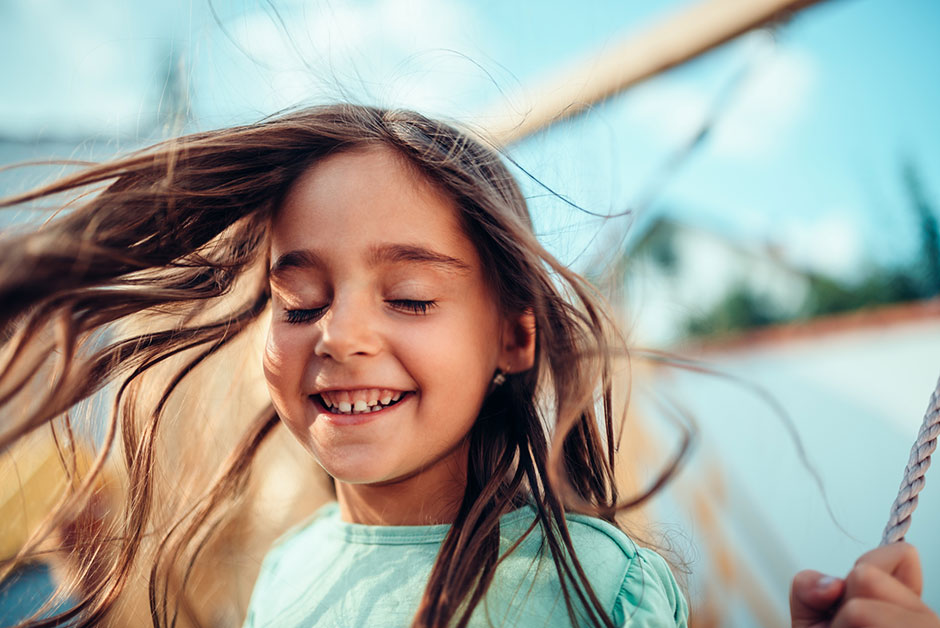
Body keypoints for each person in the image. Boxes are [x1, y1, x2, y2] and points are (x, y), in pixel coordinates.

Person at [0, 104, 935, 627]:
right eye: (301, 301)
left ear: (514, 339)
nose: (340, 336)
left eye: (409, 297)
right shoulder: (286, 573)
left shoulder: (598, 588)